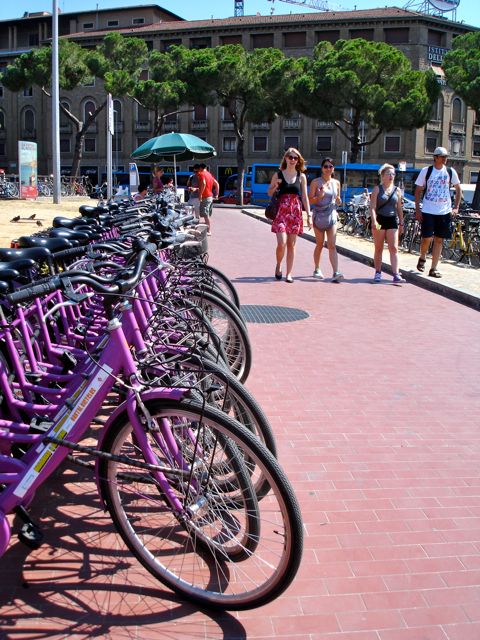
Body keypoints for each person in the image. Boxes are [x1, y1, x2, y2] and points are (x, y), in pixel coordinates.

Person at [414, 146, 462, 278]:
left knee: (439, 239)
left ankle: (433, 268)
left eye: (446, 157)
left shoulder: (450, 171)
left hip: (444, 211)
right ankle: (422, 256)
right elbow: (418, 191)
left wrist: (456, 207)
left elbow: (458, 189)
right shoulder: (426, 171)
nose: (445, 159)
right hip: (428, 210)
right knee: (426, 238)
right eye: (442, 156)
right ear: (435, 157)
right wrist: (418, 210)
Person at [268, 147, 311, 283]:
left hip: (295, 211)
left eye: (295, 158)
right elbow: (269, 193)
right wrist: (276, 185)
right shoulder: (278, 175)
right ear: (285, 158)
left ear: (298, 160)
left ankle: (289, 273)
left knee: (291, 244)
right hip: (281, 211)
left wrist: (309, 215)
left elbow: (305, 197)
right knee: (282, 243)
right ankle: (279, 264)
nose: (292, 160)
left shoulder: (301, 176)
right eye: (290, 157)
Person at [308, 157, 344, 282]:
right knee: (320, 244)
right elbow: (310, 200)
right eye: (326, 166)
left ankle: (336, 271)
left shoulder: (336, 183)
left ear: (333, 168)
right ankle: (317, 268)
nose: (328, 169)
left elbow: (338, 200)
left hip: (331, 215)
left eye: (330, 166)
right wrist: (319, 197)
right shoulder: (315, 182)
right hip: (319, 215)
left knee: (332, 244)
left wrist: (339, 201)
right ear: (322, 168)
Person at [369, 163, 406, 284]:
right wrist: (374, 221)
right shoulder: (377, 189)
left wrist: (401, 222)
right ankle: (378, 272)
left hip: (392, 220)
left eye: (393, 174)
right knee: (379, 248)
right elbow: (372, 207)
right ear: (382, 175)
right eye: (388, 174)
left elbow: (399, 208)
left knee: (393, 248)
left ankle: (396, 274)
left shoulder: (397, 190)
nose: (391, 176)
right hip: (380, 220)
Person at [198, 164, 219, 235]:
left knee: (205, 215)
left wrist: (200, 194)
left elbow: (203, 183)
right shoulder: (210, 175)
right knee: (207, 215)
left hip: (205, 197)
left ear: (200, 168)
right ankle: (206, 229)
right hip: (210, 197)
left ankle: (208, 231)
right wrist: (217, 194)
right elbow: (217, 184)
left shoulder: (201, 174)